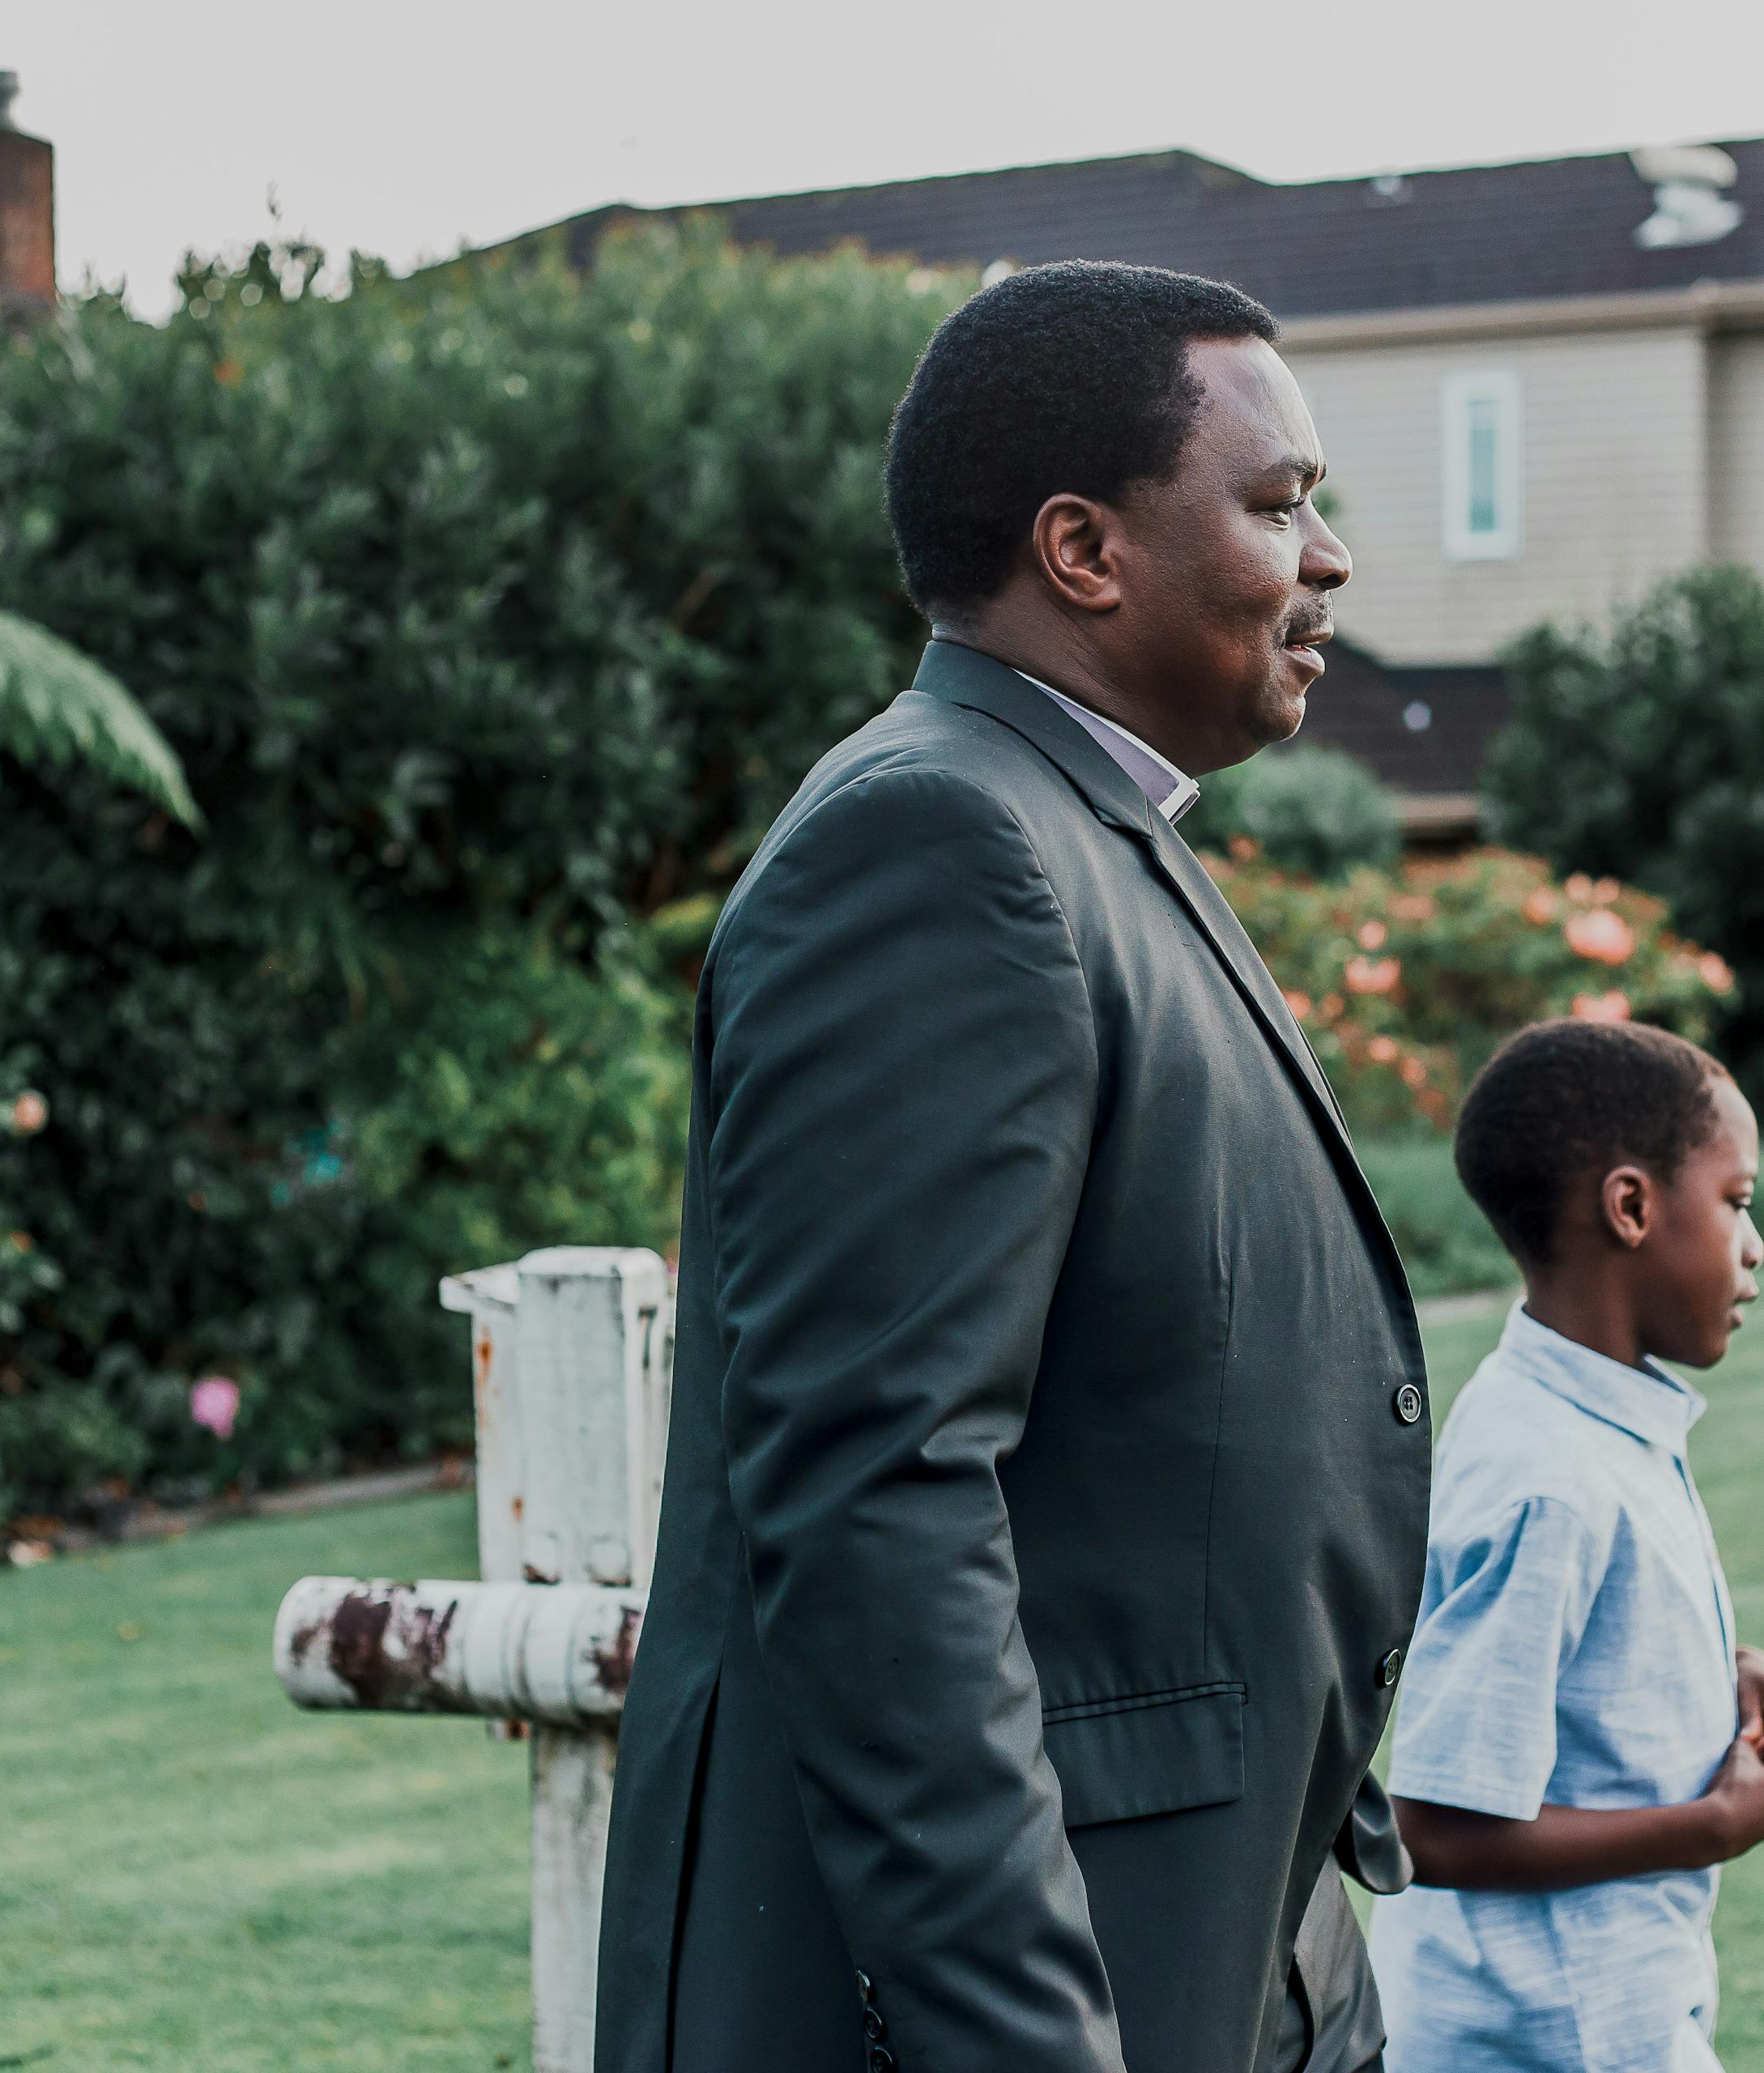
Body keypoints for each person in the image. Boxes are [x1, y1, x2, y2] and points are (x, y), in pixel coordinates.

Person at [594, 261, 1431, 2073]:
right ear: (1083, 548)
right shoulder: (936, 840)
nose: (1330, 558)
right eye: (1279, 504)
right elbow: (881, 1504)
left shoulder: (1084, 825)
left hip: (1224, 1948)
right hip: (1037, 1996)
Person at [1370, 1020, 1764, 2073]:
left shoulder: (1591, 1421)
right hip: (1540, 2036)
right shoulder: (1547, 1477)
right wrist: (1707, 1828)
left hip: (1612, 2014)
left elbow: (1583, 1643)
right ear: (1631, 1207)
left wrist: (1727, 1669)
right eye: (1737, 1203)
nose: (1755, 1246)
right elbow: (1431, 1828)